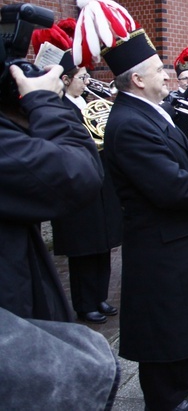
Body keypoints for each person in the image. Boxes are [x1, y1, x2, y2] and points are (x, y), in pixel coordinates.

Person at [73, 0, 188, 411]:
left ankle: (185, 374)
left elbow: (169, 155)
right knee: (164, 318)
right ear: (137, 79)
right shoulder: (129, 122)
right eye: (159, 69)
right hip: (157, 239)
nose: (168, 74)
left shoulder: (147, 109)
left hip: (175, 235)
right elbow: (167, 186)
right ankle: (164, 397)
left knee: (185, 310)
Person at [31, 21, 123, 324]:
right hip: (78, 194)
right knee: (83, 250)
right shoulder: (60, 108)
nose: (86, 81)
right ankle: (85, 303)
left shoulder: (88, 103)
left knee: (102, 245)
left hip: (100, 184)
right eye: (82, 77)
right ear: (66, 79)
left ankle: (99, 296)